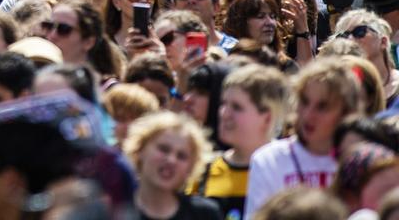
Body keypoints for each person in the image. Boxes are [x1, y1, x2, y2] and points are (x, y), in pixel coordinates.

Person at [245, 58, 366, 218]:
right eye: (304, 102)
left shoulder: (363, 161)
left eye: (322, 106)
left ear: (347, 112)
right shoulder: (268, 160)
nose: (308, 115)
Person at [195, 65, 289, 218]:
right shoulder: (201, 170)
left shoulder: (289, 171)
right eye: (223, 104)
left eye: (237, 107)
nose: (224, 114)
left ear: (267, 118)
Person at [125, 112, 222, 219]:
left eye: (181, 156)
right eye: (164, 149)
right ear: (140, 150)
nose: (171, 160)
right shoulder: (114, 210)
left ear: (190, 168)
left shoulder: (205, 215)